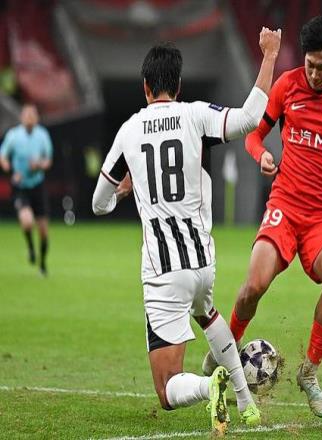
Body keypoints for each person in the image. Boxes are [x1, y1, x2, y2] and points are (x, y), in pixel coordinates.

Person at [203, 15, 322, 417]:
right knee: (252, 287)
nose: (313, 73)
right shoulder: (286, 85)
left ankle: (309, 372)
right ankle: (224, 352)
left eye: (321, 67)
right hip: (283, 207)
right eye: (309, 64)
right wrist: (262, 155)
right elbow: (253, 135)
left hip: (321, 216)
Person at [92, 28, 281, 435]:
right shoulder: (196, 115)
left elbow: (98, 203)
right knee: (207, 313)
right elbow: (250, 117)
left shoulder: (129, 130)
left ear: (145, 87)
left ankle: (209, 386)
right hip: (202, 263)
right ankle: (247, 402)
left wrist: (124, 191)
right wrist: (269, 56)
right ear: (177, 85)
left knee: (167, 389)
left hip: (164, 272)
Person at [0, 104, 53, 275]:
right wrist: (8, 168)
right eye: (27, 115)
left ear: (37, 118)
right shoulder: (13, 135)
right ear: (22, 117)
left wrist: (39, 165)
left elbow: (48, 161)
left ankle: (42, 264)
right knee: (27, 221)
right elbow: (3, 156)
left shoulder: (43, 135)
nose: (29, 118)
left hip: (37, 185)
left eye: (32, 115)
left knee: (43, 231)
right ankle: (30, 247)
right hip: (20, 186)